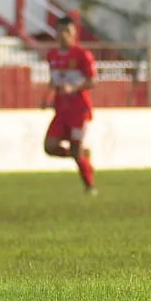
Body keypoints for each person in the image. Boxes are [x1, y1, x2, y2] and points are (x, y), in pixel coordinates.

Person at [43, 16, 98, 194]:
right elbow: (54, 80)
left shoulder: (83, 55)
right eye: (60, 31)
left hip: (79, 110)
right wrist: (47, 97)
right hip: (61, 110)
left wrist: (74, 87)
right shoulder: (52, 56)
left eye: (67, 31)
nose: (63, 35)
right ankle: (82, 156)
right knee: (49, 147)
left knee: (76, 148)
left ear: (74, 34)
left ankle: (90, 187)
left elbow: (93, 80)